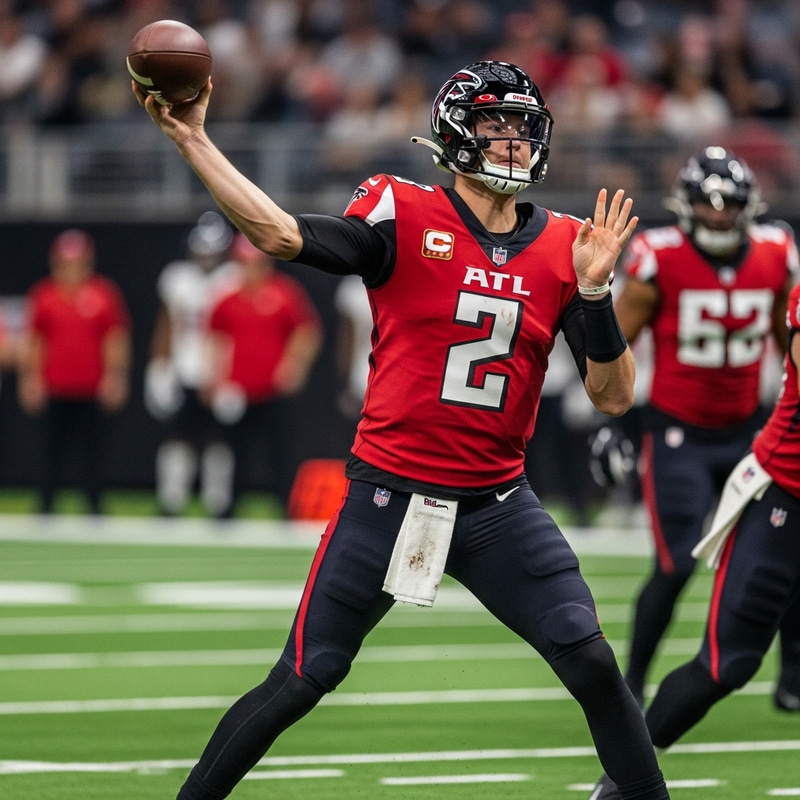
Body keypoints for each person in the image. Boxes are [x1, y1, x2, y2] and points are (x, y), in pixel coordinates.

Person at [133, 60, 670, 800]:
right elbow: (281, 235)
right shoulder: (402, 210)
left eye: (523, 127)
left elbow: (614, 395)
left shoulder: (568, 245)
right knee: (306, 675)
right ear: (454, 134)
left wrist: (596, 291)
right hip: (389, 495)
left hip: (497, 504)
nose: (513, 141)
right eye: (495, 125)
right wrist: (194, 140)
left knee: (592, 661)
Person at [590, 277, 800, 800]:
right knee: (727, 663)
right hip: (785, 496)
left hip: (741, 433)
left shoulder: (772, 253)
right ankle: (622, 783)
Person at [612, 146, 800, 710]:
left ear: (749, 207)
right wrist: (612, 421)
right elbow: (611, 342)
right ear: (686, 204)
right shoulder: (658, 256)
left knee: (785, 553)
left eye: (728, 206)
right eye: (707, 205)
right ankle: (632, 681)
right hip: (679, 434)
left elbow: (787, 341)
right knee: (674, 565)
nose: (718, 217)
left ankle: (793, 674)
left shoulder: (775, 252)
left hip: (749, 433)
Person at [202, 232, 323, 516]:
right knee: (234, 451)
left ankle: (286, 507)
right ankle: (228, 508)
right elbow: (215, 340)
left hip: (273, 388)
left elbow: (307, 331)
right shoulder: (228, 299)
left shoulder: (284, 293)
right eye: (244, 263)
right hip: (238, 390)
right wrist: (214, 378)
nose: (251, 269)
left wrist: (294, 365)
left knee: (281, 450)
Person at [17, 229, 131, 514]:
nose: (71, 269)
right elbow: (35, 341)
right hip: (55, 385)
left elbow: (115, 339)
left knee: (94, 450)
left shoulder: (103, 294)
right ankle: (46, 504)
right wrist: (30, 379)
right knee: (52, 449)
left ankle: (94, 504)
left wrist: (115, 377)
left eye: (77, 262)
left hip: (91, 386)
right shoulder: (44, 295)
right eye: (65, 262)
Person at [144, 210, 241, 518]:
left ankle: (219, 503)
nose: (206, 257)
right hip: (184, 368)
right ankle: (172, 501)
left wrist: (234, 374)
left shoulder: (234, 279)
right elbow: (166, 324)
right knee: (178, 437)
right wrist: (160, 367)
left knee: (219, 440)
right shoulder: (178, 278)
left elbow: (240, 331)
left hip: (219, 370)